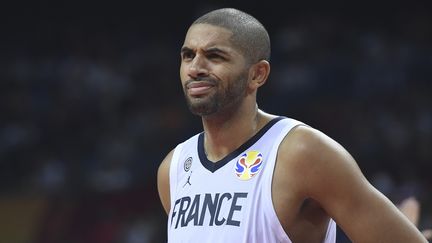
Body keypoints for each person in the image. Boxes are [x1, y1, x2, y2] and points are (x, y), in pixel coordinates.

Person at [157, 8, 427, 243]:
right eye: (188, 55)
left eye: (215, 56)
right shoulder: (174, 168)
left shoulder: (302, 153)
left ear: (257, 74)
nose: (195, 67)